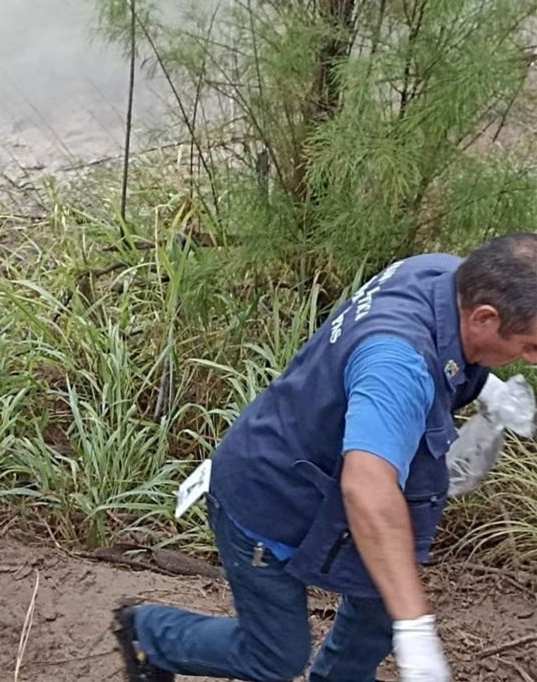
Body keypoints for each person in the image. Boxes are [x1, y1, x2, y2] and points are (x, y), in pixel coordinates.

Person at [113, 234, 537, 682]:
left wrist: (484, 387)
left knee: (381, 601)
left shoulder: (441, 275)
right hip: (270, 502)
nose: (530, 360)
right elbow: (368, 487)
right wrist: (417, 631)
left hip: (324, 477)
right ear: (485, 317)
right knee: (276, 656)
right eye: (530, 346)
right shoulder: (397, 363)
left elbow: (428, 358)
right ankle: (150, 634)